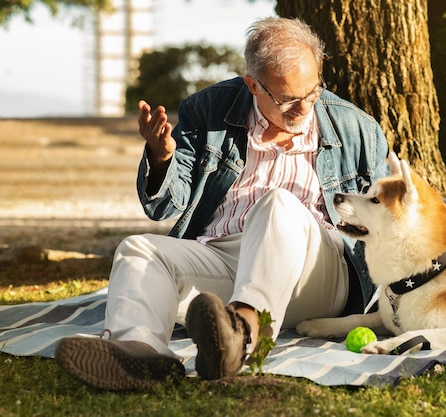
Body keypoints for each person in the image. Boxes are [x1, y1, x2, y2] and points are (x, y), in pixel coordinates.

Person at [54, 16, 390, 391]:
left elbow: (390, 198)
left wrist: (444, 213)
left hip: (317, 271)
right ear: (253, 85)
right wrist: (162, 158)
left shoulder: (355, 126)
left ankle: (243, 336)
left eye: (311, 93)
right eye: (287, 99)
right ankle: (141, 354)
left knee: (277, 204)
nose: (302, 109)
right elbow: (163, 208)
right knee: (139, 248)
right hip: (226, 257)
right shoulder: (208, 109)